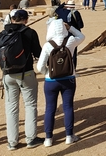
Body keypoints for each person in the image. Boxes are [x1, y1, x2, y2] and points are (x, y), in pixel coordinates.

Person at [0, 9, 44, 150]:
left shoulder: (2, 34)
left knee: (11, 108)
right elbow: (38, 53)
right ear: (25, 20)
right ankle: (31, 138)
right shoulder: (29, 32)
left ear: (12, 19)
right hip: (26, 73)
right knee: (30, 106)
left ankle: (12, 141)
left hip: (8, 75)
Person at [37, 19, 85, 147]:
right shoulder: (70, 41)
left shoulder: (48, 45)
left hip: (51, 80)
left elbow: (39, 67)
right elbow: (81, 36)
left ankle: (48, 138)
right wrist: (70, 28)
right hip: (68, 78)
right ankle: (69, 136)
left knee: (50, 109)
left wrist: (48, 72)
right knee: (68, 106)